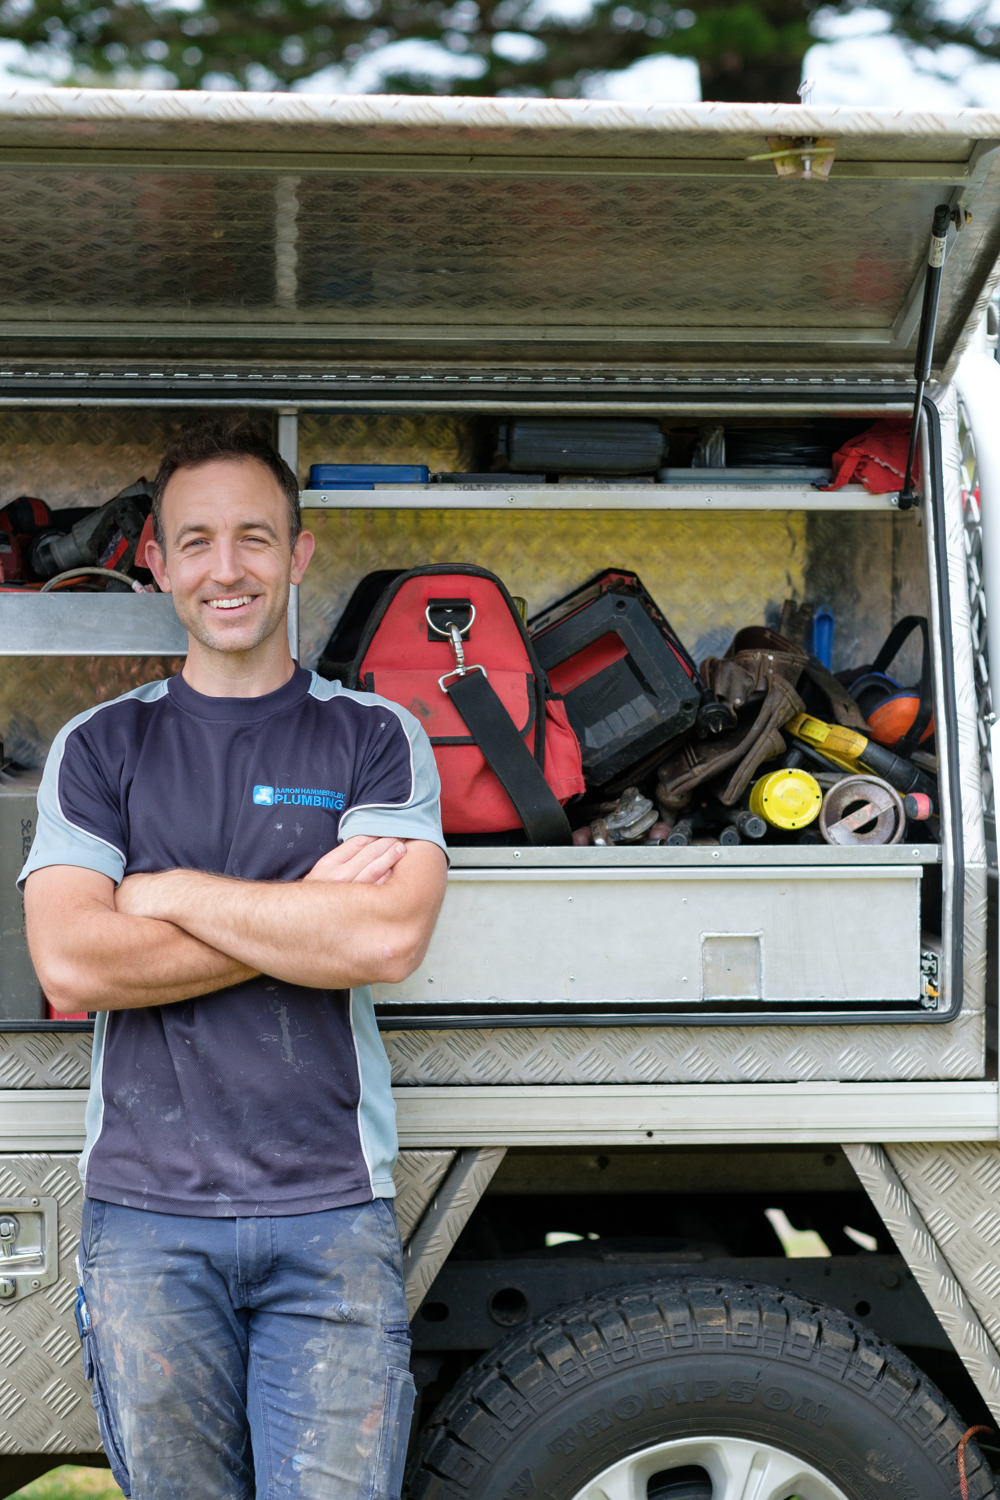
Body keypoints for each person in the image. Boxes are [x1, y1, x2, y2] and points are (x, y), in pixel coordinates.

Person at [20, 416, 448, 1500]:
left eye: (256, 538)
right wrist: (299, 914)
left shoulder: (373, 737)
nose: (228, 568)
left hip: (328, 1215)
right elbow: (72, 964)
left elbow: (384, 939)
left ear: (297, 555)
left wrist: (163, 897)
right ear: (157, 563)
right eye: (197, 540)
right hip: (149, 1223)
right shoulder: (104, 746)